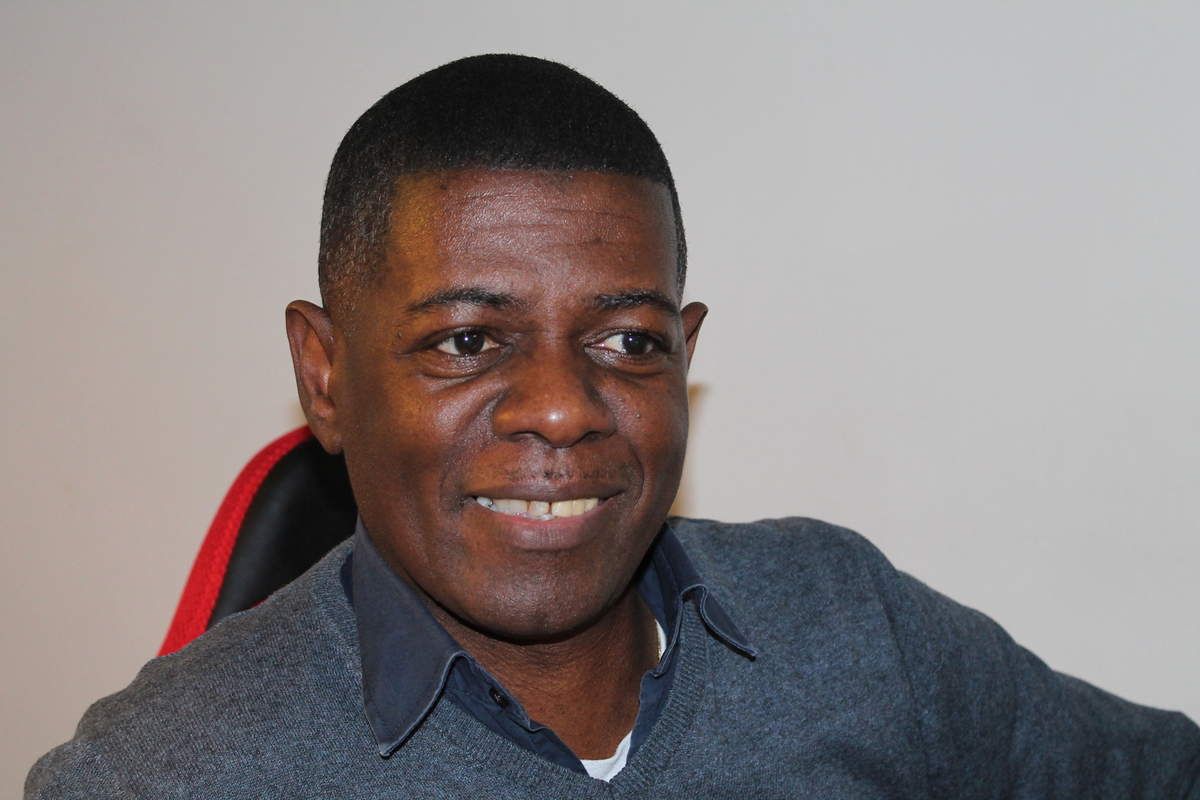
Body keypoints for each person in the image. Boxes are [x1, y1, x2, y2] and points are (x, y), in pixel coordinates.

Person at [27, 53, 1200, 799]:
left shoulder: (850, 623)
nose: (560, 406)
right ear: (325, 376)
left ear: (686, 353)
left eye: (628, 341)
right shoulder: (157, 774)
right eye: (467, 340)